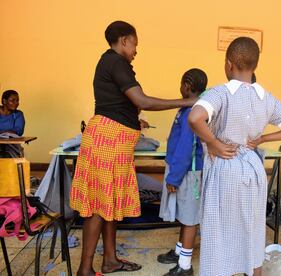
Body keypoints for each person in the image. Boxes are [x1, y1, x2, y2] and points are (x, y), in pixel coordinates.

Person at [69, 21, 196, 276]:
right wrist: (186, 101)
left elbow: (118, 103)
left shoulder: (112, 63)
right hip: (107, 142)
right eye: (135, 44)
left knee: (110, 204)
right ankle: (84, 269)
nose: (136, 50)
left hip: (113, 141)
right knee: (97, 206)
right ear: (125, 40)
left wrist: (132, 120)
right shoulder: (116, 61)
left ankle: (110, 261)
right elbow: (141, 100)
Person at [188, 37, 281, 276]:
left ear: (229, 63)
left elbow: (195, 118)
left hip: (225, 165)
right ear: (255, 65)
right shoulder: (266, 97)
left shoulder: (220, 93)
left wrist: (212, 143)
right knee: (253, 230)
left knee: (220, 232)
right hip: (254, 170)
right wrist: (264, 139)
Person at [157, 68, 208, 276]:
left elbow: (186, 148)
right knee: (184, 215)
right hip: (184, 171)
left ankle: (185, 266)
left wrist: (174, 177)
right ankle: (180, 252)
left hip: (188, 173)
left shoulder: (191, 112)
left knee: (189, 218)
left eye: (181, 83)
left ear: (187, 85)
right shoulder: (188, 109)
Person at [0, 90, 25, 157]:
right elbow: (12, 132)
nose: (16, 103)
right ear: (4, 101)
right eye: (12, 100)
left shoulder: (18, 114)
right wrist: (7, 132)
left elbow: (18, 131)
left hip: (12, 146)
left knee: (9, 155)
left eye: (17, 100)